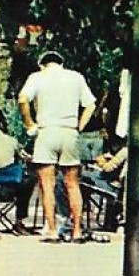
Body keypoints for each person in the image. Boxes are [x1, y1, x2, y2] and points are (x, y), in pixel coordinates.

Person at [17, 50, 97, 243]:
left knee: (47, 185)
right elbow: (91, 104)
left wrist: (29, 123)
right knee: (72, 184)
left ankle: (52, 230)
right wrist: (79, 125)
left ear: (42, 64)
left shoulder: (37, 77)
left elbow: (22, 99)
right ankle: (77, 230)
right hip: (69, 131)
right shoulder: (75, 77)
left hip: (47, 131)